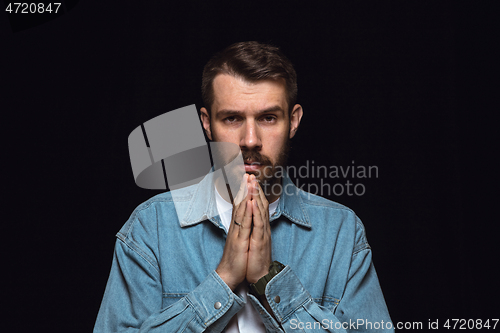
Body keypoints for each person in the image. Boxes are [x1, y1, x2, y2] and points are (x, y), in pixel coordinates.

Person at [94, 41, 393, 332]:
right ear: (207, 123)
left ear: (293, 121)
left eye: (268, 118)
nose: (250, 140)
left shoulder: (341, 232)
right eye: (233, 118)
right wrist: (222, 281)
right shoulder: (151, 228)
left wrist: (269, 281)